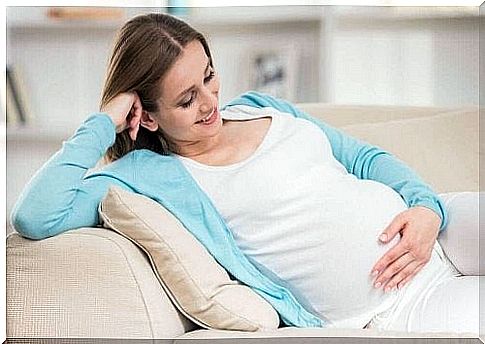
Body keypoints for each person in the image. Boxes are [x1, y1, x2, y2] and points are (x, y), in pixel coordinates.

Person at [10, 13, 480, 334]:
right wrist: (105, 121)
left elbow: (364, 158)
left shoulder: (259, 106)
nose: (211, 102)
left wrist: (425, 208)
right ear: (148, 116)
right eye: (186, 99)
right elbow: (37, 216)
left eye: (209, 76)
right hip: (395, 304)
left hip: (439, 229)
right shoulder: (146, 176)